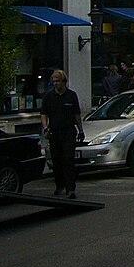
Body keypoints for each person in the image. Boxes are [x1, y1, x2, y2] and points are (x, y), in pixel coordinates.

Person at [40, 69, 84, 199]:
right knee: (56, 161)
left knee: (68, 160)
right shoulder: (49, 97)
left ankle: (71, 189)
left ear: (63, 81)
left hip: (68, 131)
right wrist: (45, 127)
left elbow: (77, 114)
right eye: (53, 82)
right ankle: (60, 185)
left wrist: (81, 130)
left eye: (57, 81)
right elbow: (43, 113)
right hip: (54, 132)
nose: (55, 84)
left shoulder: (71, 96)